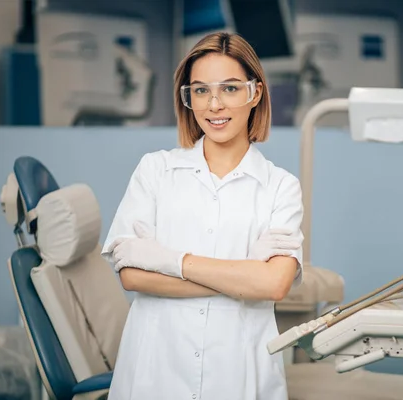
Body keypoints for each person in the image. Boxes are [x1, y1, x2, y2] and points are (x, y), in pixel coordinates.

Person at [101, 31, 304, 400]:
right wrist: (242, 276)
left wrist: (166, 261)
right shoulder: (156, 171)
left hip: (240, 373)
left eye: (229, 89)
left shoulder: (280, 186)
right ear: (188, 98)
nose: (214, 105)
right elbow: (131, 276)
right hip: (156, 370)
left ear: (254, 92)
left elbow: (274, 285)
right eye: (199, 90)